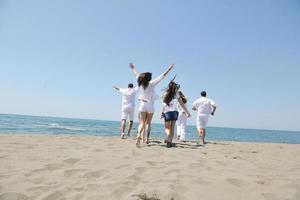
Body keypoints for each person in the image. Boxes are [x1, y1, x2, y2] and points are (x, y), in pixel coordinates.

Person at [129, 63, 174, 146]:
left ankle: (139, 135)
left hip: (142, 104)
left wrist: (133, 68)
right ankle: (147, 139)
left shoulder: (140, 83)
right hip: (150, 106)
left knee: (142, 122)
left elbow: (136, 74)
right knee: (148, 123)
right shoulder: (152, 83)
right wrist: (169, 68)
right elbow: (162, 76)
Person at [162, 81, 191, 148]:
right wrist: (187, 111)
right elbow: (182, 104)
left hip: (168, 112)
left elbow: (164, 104)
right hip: (175, 113)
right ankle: (169, 142)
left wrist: (162, 112)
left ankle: (168, 136)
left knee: (167, 128)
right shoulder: (176, 94)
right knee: (172, 128)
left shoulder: (166, 93)